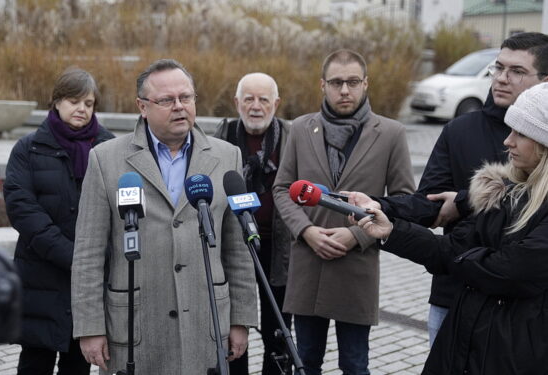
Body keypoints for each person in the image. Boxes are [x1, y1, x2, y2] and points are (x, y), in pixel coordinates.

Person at [70, 59, 258, 375]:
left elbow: (238, 251)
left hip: (206, 322)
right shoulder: (106, 160)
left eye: (186, 97)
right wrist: (90, 326)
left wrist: (241, 320)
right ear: (142, 107)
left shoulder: (228, 156)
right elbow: (87, 253)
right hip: (136, 331)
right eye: (166, 100)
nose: (179, 106)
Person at [351, 82, 548, 375]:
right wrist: (390, 230)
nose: (507, 141)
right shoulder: (505, 192)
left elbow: (511, 271)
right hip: (463, 341)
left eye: (520, 133)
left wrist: (465, 258)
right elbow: (450, 248)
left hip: (517, 355)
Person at [272, 49, 415, 375]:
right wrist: (306, 232)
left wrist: (355, 235)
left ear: (366, 84)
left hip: (356, 269)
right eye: (337, 82)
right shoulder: (300, 128)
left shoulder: (391, 134)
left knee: (354, 364)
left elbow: (405, 201)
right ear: (323, 85)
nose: (345, 90)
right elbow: (282, 189)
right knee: (305, 363)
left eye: (352, 82)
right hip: (308, 265)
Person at [4, 68, 114, 375]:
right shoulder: (28, 148)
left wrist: (95, 258)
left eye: (89, 103)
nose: (81, 109)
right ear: (56, 102)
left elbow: (122, 212)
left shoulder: (108, 148)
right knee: (35, 362)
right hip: (40, 275)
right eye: (73, 101)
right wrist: (71, 255)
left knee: (78, 364)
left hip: (90, 280)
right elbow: (22, 209)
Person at [213, 72, 293, 375]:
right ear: (237, 102)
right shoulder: (222, 136)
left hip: (278, 249)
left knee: (278, 329)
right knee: (232, 324)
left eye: (263, 99)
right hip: (233, 248)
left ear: (276, 103)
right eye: (249, 99)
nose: (256, 106)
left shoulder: (290, 137)